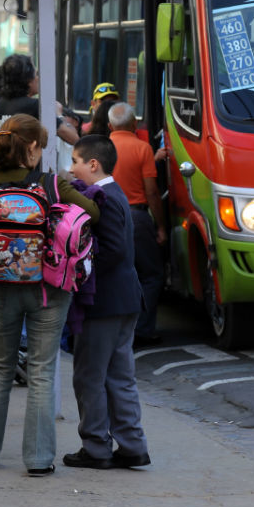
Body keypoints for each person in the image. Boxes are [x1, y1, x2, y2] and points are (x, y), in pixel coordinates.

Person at [0, 113, 99, 476]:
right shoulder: (52, 185)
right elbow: (92, 213)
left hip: (0, 287)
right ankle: (39, 460)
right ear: (34, 147)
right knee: (40, 371)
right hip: (47, 291)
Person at [62, 134, 150, 469]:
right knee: (119, 376)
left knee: (89, 376)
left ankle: (97, 446)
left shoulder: (105, 199)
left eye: (75, 161)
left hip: (105, 303)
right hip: (124, 300)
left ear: (93, 164)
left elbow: (112, 251)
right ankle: (131, 445)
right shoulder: (114, 194)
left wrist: (77, 266)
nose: (72, 168)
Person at [108, 101, 167, 346]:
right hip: (137, 217)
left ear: (109, 125)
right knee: (151, 275)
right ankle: (142, 329)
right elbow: (152, 192)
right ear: (134, 124)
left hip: (107, 216)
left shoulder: (101, 148)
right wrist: (161, 226)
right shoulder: (142, 149)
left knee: (115, 274)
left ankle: (115, 330)